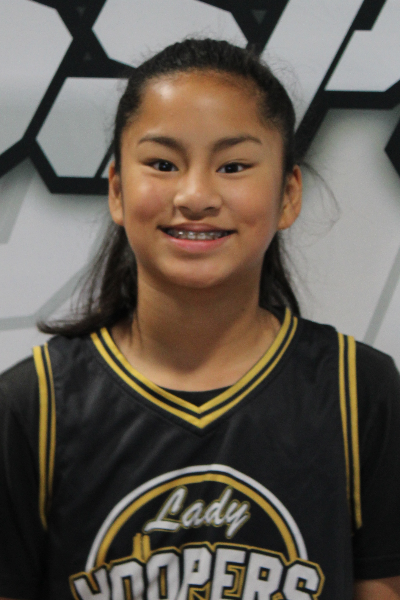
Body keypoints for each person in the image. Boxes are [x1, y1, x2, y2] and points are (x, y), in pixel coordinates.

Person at [0, 38, 399, 600]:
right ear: (117, 190)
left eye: (233, 166)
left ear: (288, 194)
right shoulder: (32, 405)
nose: (195, 195)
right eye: (162, 164)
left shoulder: (360, 390)